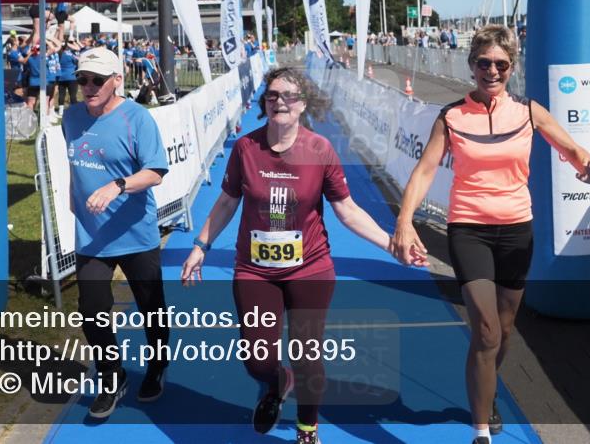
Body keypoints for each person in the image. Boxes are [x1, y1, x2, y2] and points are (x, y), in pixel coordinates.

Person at [180, 67, 424, 444]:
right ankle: (279, 381)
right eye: (273, 95)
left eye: (289, 96)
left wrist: (391, 243)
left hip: (309, 268)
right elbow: (227, 201)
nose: (280, 102)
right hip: (255, 270)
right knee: (257, 360)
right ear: (264, 103)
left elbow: (347, 210)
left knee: (307, 355)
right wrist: (201, 245)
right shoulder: (246, 148)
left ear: (303, 104)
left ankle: (307, 429)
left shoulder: (319, 150)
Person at [390, 25, 590, 444]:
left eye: (501, 65)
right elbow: (425, 170)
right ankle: (481, 431)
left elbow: (572, 150)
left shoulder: (529, 111)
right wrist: (404, 221)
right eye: (484, 63)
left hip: (516, 230)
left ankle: (486, 392)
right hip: (468, 228)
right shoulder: (451, 116)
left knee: (503, 332)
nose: (492, 71)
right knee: (487, 330)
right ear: (471, 65)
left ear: (512, 67)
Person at [61, 47, 171, 419]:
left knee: (151, 308)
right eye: (82, 79)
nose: (88, 87)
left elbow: (155, 172)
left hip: (135, 232)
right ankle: (112, 377)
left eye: (97, 80)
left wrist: (117, 186)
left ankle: (158, 365)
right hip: (92, 235)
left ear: (117, 80)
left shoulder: (137, 118)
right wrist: (73, 196)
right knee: (91, 311)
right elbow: (74, 162)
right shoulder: (71, 116)